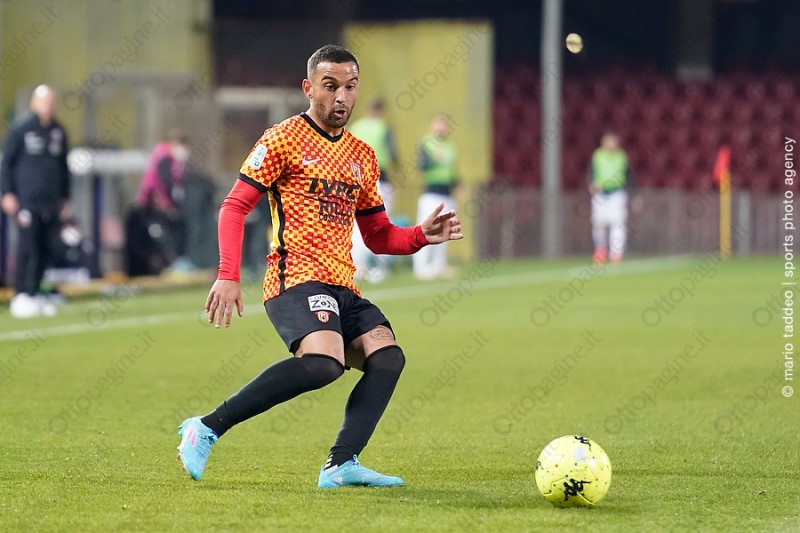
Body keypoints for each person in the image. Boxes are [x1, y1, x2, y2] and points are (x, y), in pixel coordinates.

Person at [176, 44, 463, 488]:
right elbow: (234, 207)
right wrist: (228, 274)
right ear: (308, 88)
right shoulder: (283, 139)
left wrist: (421, 235)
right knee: (324, 363)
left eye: (350, 87)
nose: (341, 97)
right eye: (330, 86)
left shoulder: (362, 155)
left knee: (388, 357)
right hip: (295, 278)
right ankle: (207, 427)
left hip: (342, 285)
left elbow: (378, 235)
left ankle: (341, 464)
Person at [0, 85, 70, 318]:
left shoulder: (58, 131)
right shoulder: (21, 130)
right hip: (27, 200)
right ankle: (21, 294)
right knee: (27, 247)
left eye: (51, 102)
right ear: (34, 103)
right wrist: (7, 193)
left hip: (50, 202)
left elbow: (63, 167)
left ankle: (36, 291)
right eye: (44, 102)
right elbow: (7, 164)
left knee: (45, 248)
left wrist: (65, 197)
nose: (48, 106)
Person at [348, 99, 398, 282]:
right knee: (381, 223)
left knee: (356, 225)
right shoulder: (383, 127)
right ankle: (379, 267)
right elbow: (392, 153)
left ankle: (358, 266)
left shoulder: (355, 127)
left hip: (357, 181)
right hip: (379, 180)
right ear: (381, 111)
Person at [135, 129, 190, 268]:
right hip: (154, 203)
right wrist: (170, 204)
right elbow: (164, 181)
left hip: (158, 202)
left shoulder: (168, 158)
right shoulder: (164, 157)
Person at [412, 115, 458, 280]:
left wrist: (457, 186)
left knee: (444, 230)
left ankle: (438, 266)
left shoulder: (450, 147)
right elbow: (421, 165)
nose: (441, 128)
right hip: (431, 193)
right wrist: (432, 158)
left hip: (446, 193)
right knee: (427, 229)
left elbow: (450, 171)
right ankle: (421, 267)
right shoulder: (427, 143)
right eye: (438, 124)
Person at [587, 130, 634, 265]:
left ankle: (616, 253)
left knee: (618, 223)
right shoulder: (598, 156)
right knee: (599, 223)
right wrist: (591, 184)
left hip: (617, 193)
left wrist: (634, 194)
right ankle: (600, 250)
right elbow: (591, 172)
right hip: (600, 193)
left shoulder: (621, 157)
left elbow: (629, 176)